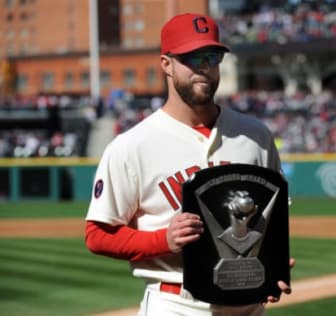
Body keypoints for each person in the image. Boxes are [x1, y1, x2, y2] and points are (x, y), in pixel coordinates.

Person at [85, 12, 293, 316]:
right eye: (192, 58)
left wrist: (270, 266)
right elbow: (97, 235)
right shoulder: (131, 146)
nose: (204, 68)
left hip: (248, 303)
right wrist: (163, 240)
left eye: (212, 56)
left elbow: (270, 220)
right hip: (176, 303)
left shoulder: (256, 135)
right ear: (166, 64)